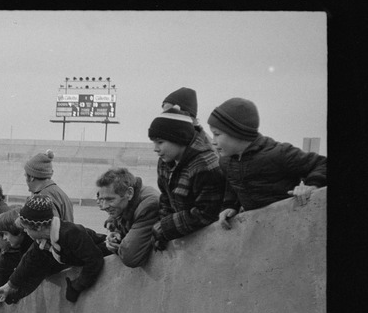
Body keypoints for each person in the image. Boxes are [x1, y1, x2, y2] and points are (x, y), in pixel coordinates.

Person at [205, 97, 328, 229]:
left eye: (217, 134)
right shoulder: (226, 161)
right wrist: (230, 206)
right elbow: (233, 185)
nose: (213, 141)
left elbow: (322, 164)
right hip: (258, 227)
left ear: (238, 133)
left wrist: (312, 185)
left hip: (288, 224)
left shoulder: (278, 153)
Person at [0, 195, 106, 306]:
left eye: (26, 229)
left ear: (38, 227)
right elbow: (28, 260)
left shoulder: (71, 234)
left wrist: (76, 286)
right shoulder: (43, 240)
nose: (26, 232)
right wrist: (10, 285)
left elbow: (94, 260)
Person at [149, 110, 225, 251]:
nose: (155, 149)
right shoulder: (165, 162)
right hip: (185, 232)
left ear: (180, 138)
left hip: (210, 241)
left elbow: (207, 213)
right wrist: (162, 229)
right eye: (154, 142)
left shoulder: (205, 164)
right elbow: (166, 198)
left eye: (160, 142)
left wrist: (166, 227)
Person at [95, 167, 160, 268]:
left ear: (129, 193)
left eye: (110, 199)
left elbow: (130, 257)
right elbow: (120, 220)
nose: (104, 207)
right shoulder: (126, 199)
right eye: (102, 200)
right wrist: (116, 234)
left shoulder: (149, 206)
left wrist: (116, 247)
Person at [23, 150, 74, 223]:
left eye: (25, 175)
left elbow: (49, 230)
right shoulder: (59, 193)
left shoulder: (42, 198)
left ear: (31, 177)